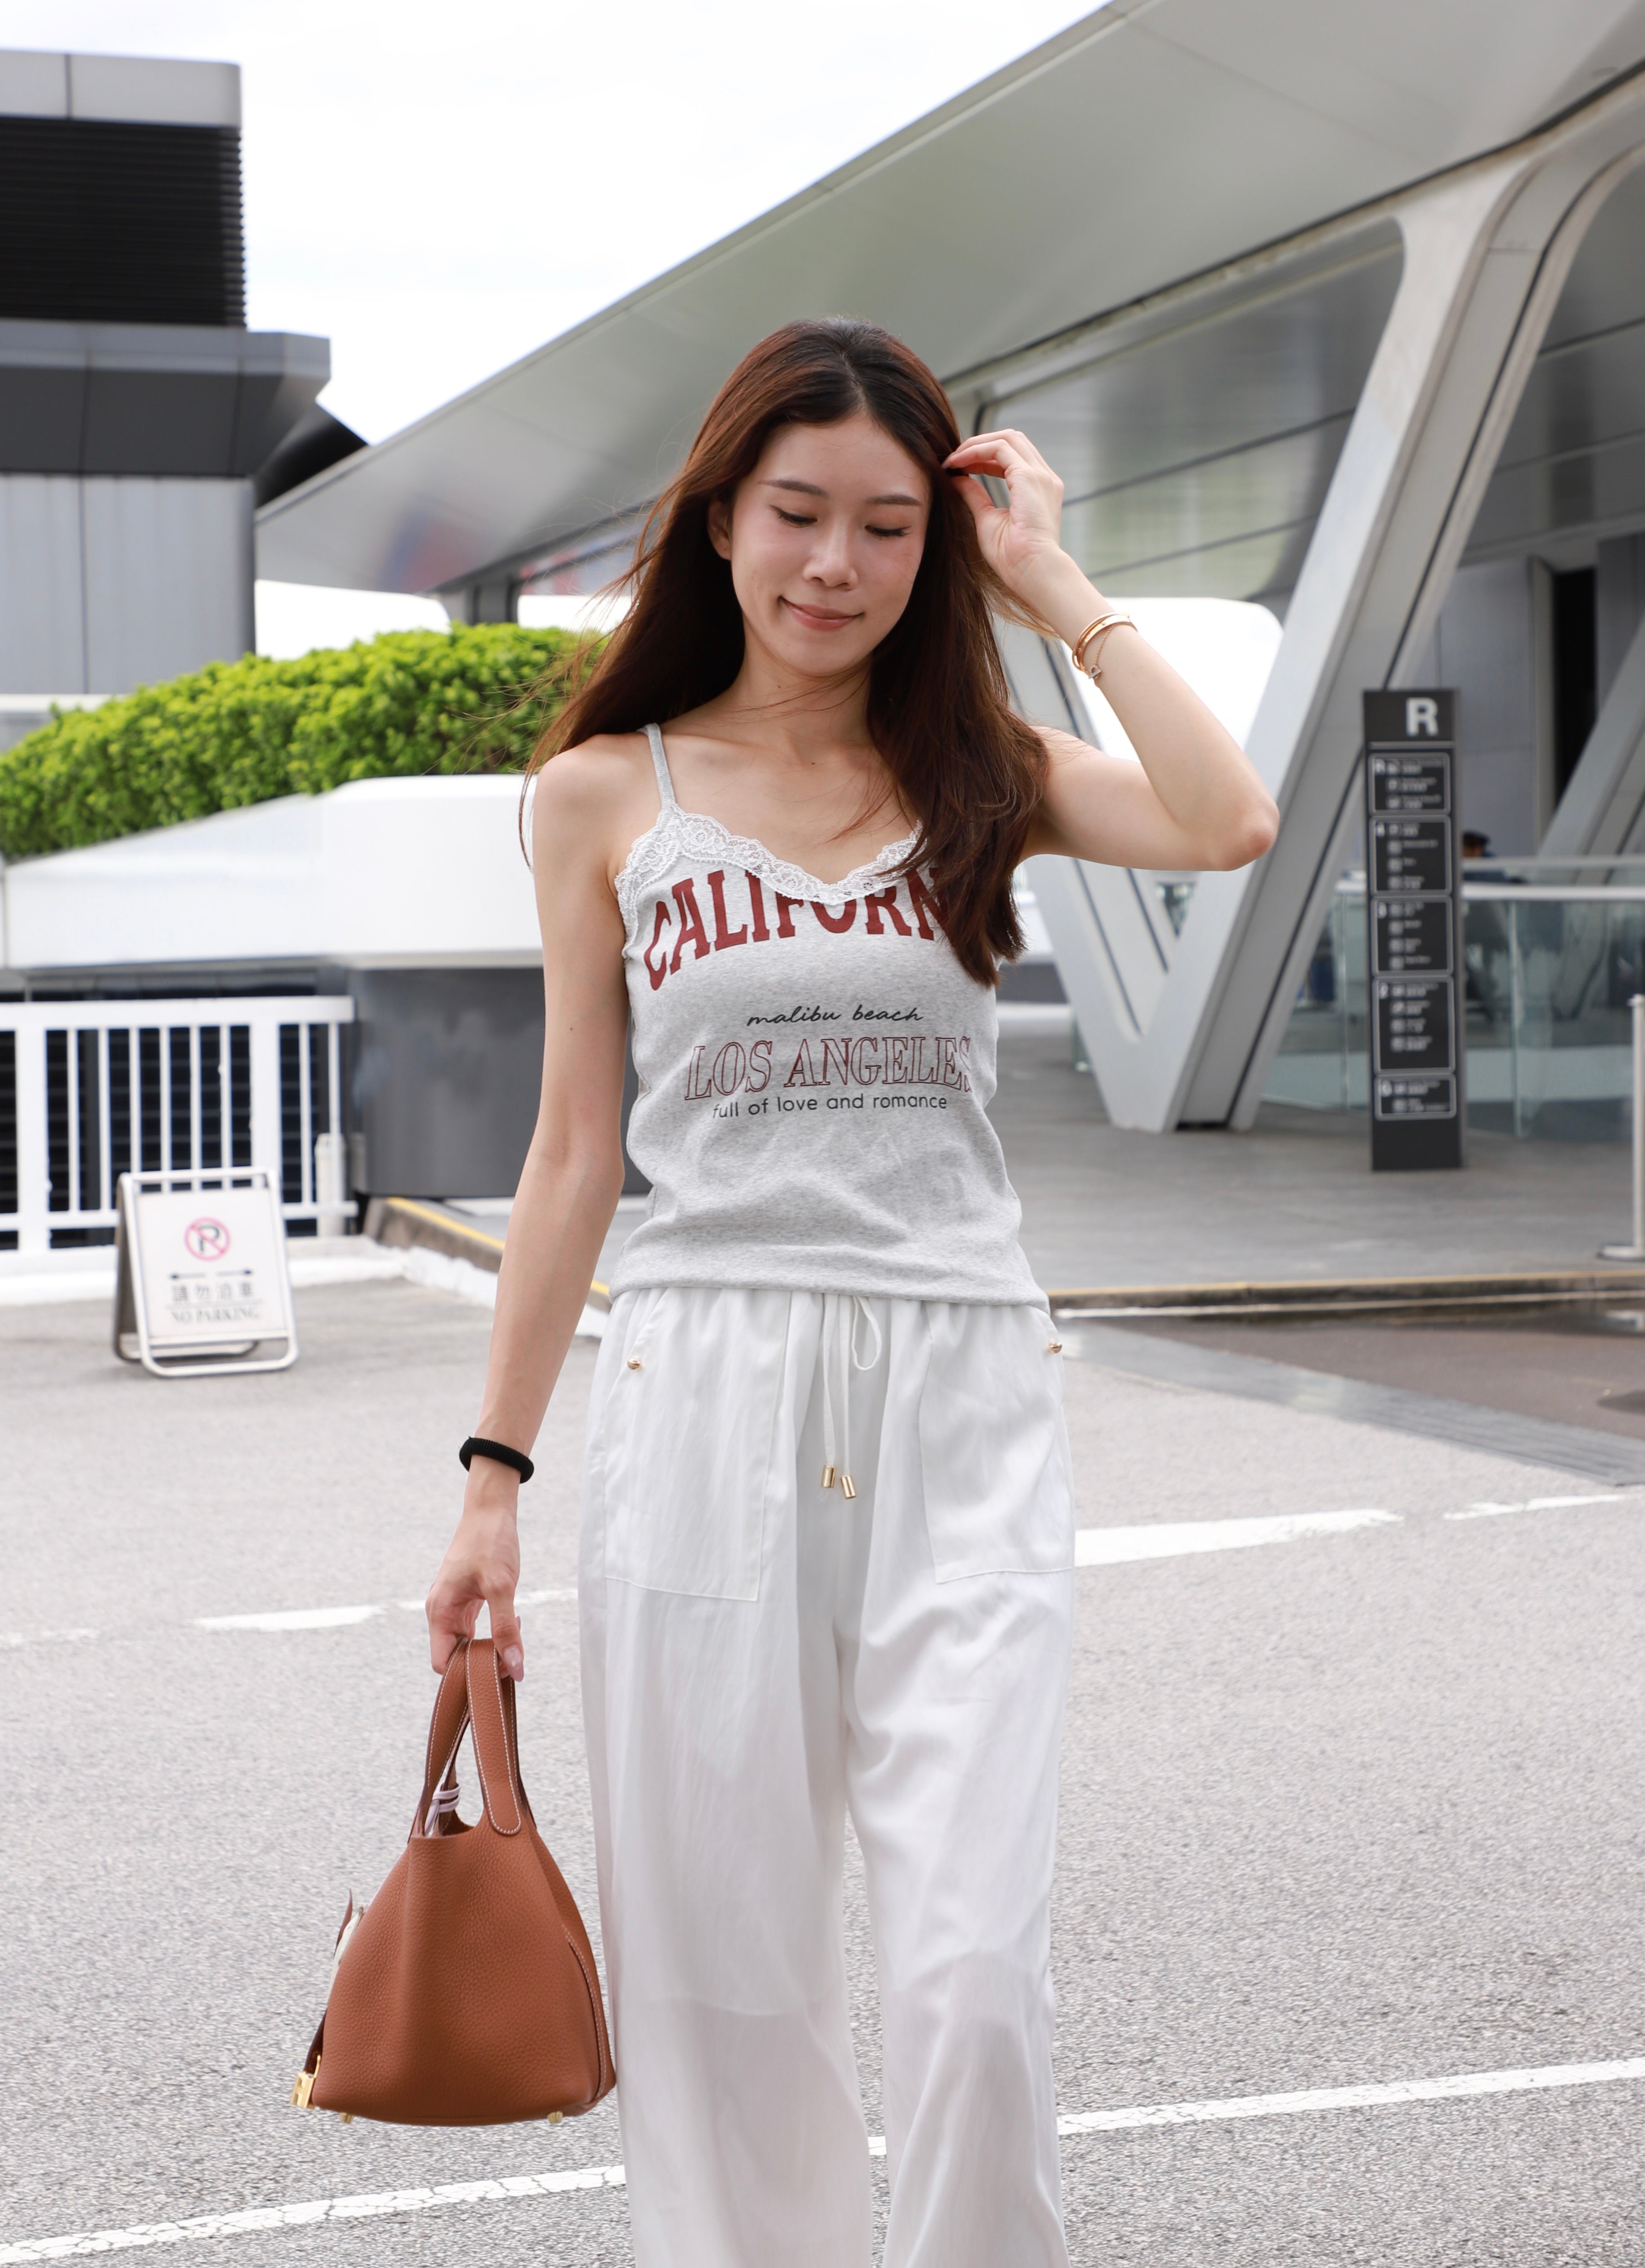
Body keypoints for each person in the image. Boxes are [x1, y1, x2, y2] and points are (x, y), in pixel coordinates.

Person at [426, 318, 1278, 2266]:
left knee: (972, 1973)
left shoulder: (984, 765)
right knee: (721, 1977)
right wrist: (492, 1478)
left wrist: (1052, 581)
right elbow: (574, 1156)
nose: (834, 564)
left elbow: (1225, 820)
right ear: (718, 518)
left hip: (958, 1383)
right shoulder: (601, 795)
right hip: (703, 1376)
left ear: (933, 549)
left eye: (885, 527)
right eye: (796, 513)